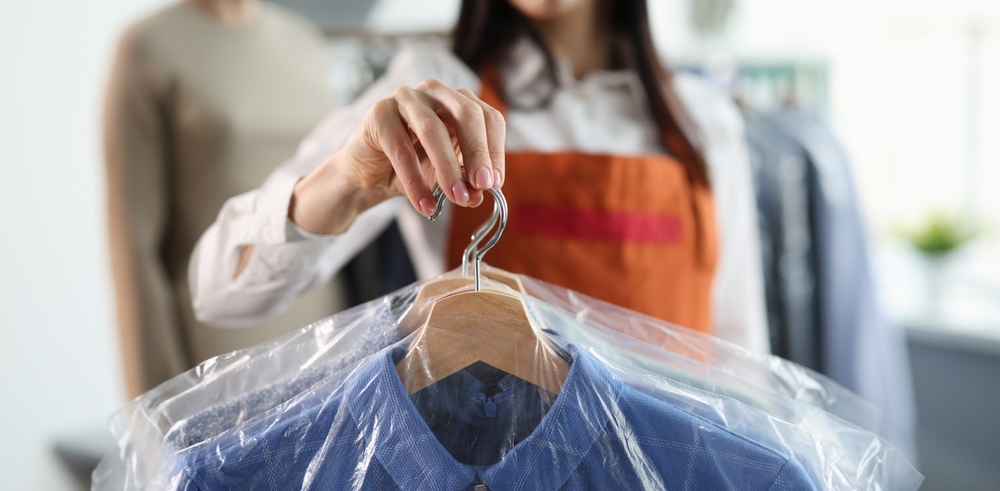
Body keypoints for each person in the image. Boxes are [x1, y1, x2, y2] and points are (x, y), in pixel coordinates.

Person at [189, 0, 769, 353]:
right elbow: (217, 292)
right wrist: (347, 181)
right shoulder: (434, 93)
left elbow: (738, 356)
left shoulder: (703, 121)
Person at [105, 0, 348, 398]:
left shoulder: (303, 40)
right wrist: (151, 410)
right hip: (219, 354)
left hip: (324, 337)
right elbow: (134, 249)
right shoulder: (149, 48)